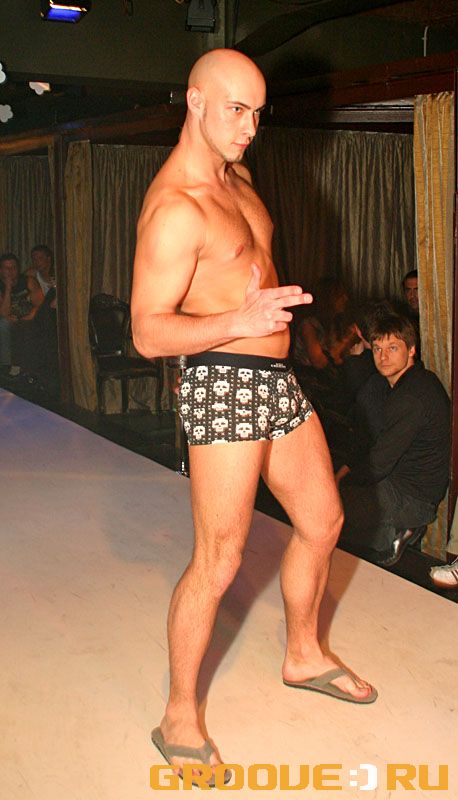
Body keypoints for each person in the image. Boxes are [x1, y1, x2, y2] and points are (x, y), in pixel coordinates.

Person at [131, 48, 376, 782]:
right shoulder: (176, 208)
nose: (249, 128)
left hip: (274, 375)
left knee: (323, 520)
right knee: (220, 558)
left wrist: (263, 315)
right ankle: (179, 716)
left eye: (258, 113)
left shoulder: (236, 177)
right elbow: (147, 332)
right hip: (222, 378)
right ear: (195, 101)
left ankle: (303, 653)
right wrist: (238, 321)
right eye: (236, 110)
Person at [336, 314, 450, 567]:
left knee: (328, 508)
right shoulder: (409, 382)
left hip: (413, 499)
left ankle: (396, 532)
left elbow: (380, 461)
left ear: (411, 350)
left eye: (393, 348)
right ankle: (390, 532)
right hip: (407, 485)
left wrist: (340, 485)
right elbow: (369, 440)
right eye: (378, 349)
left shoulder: (411, 397)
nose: (383, 357)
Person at [0, 252, 41, 369]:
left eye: (13, 267)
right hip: (10, 320)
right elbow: (3, 313)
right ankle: (6, 367)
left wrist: (31, 315)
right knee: (3, 324)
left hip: (30, 317)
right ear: (1, 270)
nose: (10, 271)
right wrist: (8, 288)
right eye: (7, 268)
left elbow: (41, 304)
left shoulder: (29, 281)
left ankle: (31, 369)